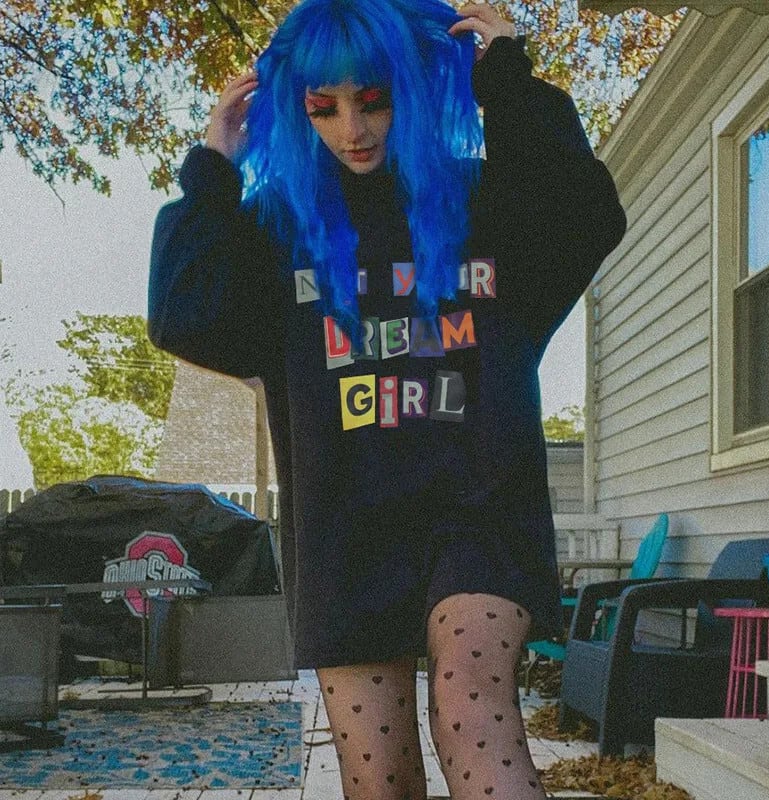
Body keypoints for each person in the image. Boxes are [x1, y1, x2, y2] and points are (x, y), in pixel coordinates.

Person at [148, 0, 626, 797]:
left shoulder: (486, 203)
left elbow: (586, 213)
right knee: (378, 777)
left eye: (373, 99)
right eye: (324, 106)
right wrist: (212, 165)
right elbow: (182, 311)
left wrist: (508, 84)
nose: (353, 128)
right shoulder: (279, 230)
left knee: (471, 710)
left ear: (411, 85)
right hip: (347, 527)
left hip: (480, 507)